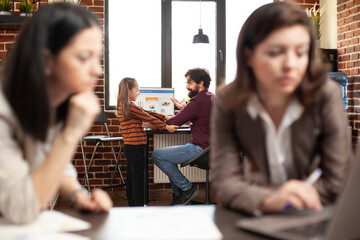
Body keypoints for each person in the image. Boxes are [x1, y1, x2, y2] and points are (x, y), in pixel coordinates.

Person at [210, 2, 352, 215]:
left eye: (301, 52)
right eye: (276, 52)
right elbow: (224, 183)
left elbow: (339, 180)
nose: (290, 65)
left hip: (316, 213)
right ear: (248, 56)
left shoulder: (326, 94)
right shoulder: (227, 101)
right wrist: (270, 199)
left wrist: (292, 201)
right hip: (256, 214)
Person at [0, 3, 113, 224]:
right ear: (46, 61)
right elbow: (20, 209)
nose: (98, 70)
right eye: (83, 57)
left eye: (97, 57)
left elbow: (54, 163)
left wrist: (79, 195)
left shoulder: (50, 103)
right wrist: (70, 135)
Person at [152, 68, 215, 205]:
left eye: (189, 82)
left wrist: (150, 122)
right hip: (212, 148)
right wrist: (184, 109)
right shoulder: (211, 97)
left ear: (201, 82)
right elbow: (202, 116)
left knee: (158, 155)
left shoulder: (197, 102)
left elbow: (173, 123)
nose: (187, 86)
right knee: (168, 158)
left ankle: (188, 189)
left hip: (201, 148)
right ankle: (180, 197)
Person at [117, 77, 178, 206]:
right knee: (138, 180)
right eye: (137, 90)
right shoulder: (130, 106)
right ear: (129, 91)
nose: (138, 93)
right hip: (136, 147)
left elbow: (144, 112)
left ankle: (133, 206)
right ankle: (138, 207)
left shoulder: (124, 105)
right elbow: (147, 117)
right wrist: (166, 126)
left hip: (130, 147)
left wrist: (164, 116)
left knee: (132, 179)